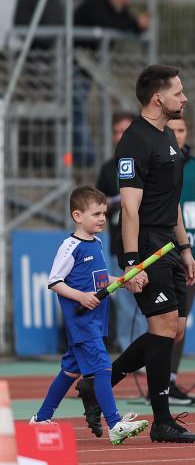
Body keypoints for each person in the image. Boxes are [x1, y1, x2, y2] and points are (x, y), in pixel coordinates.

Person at [76, 64, 195, 444]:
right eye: (178, 92)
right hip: (145, 245)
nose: (185, 98)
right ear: (157, 97)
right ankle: (161, 421)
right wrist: (131, 263)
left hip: (167, 243)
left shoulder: (168, 138)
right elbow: (130, 208)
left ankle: (96, 386)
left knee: (174, 330)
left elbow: (171, 200)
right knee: (162, 327)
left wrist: (185, 248)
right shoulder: (134, 141)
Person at [33, 186, 149, 445]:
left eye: (104, 214)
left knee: (70, 371)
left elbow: (99, 279)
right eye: (96, 213)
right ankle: (115, 422)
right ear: (77, 216)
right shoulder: (70, 246)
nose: (102, 219)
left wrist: (120, 281)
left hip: (97, 319)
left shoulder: (96, 243)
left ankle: (41, 418)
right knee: (102, 367)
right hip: (82, 321)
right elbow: (55, 282)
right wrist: (81, 296)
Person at [72, 0, 149, 168]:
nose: (126, 1)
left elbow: (128, 24)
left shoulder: (117, 8)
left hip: (89, 68)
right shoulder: (95, 5)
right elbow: (110, 24)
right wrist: (133, 24)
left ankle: (84, 157)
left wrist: (138, 25)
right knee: (75, 112)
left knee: (79, 111)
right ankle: (86, 159)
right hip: (75, 66)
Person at [167, 118, 195, 406]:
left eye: (182, 130)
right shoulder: (157, 163)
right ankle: (158, 380)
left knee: (181, 322)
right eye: (172, 131)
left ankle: (169, 380)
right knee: (165, 323)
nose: (178, 136)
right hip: (164, 251)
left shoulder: (193, 164)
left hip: (193, 253)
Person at [95, 111, 137, 352]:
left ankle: (143, 347)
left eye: (126, 131)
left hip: (145, 243)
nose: (121, 136)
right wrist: (114, 201)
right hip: (116, 243)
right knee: (123, 298)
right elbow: (97, 203)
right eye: (117, 131)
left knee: (143, 299)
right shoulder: (108, 168)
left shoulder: (146, 163)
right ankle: (127, 346)